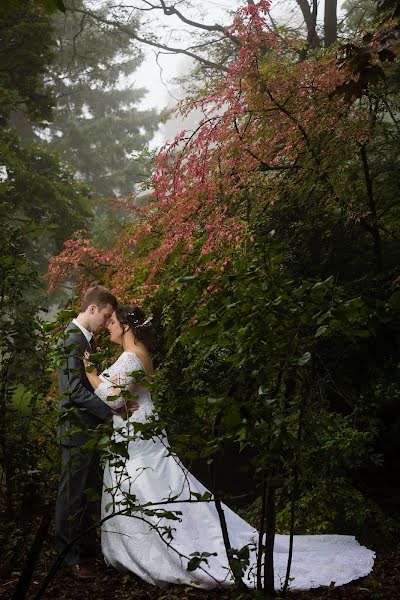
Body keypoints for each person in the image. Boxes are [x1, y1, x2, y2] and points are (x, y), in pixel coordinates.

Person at [83, 305, 375, 591]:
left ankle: (157, 551)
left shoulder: (132, 357)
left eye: (113, 322)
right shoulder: (136, 355)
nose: (108, 325)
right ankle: (140, 548)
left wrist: (91, 371)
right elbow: (121, 400)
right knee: (143, 482)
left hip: (137, 429)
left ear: (126, 327)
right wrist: (118, 405)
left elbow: (111, 398)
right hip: (134, 422)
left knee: (143, 482)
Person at [55, 285, 133, 581]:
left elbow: (91, 383)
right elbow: (73, 391)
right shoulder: (72, 339)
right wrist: (110, 411)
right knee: (71, 496)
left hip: (88, 428)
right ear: (91, 309)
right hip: (76, 428)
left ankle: (84, 549)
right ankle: (68, 558)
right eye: (105, 315)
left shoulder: (85, 340)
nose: (107, 322)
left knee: (86, 494)